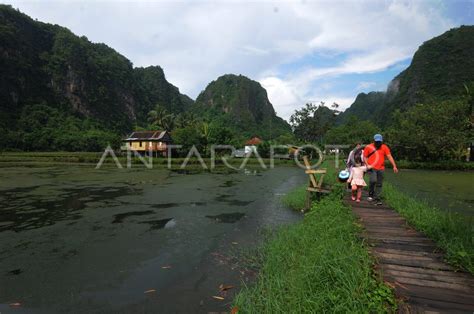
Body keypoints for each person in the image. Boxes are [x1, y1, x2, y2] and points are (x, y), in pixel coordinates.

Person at [363, 134, 398, 205]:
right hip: (372, 168)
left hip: (381, 168)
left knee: (379, 183)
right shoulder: (369, 147)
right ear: (374, 140)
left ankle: (377, 197)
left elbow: (389, 156)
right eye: (377, 141)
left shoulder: (384, 147)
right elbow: (365, 157)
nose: (378, 143)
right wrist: (367, 165)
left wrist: (394, 166)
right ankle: (371, 194)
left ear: (381, 141)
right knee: (373, 180)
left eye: (379, 141)